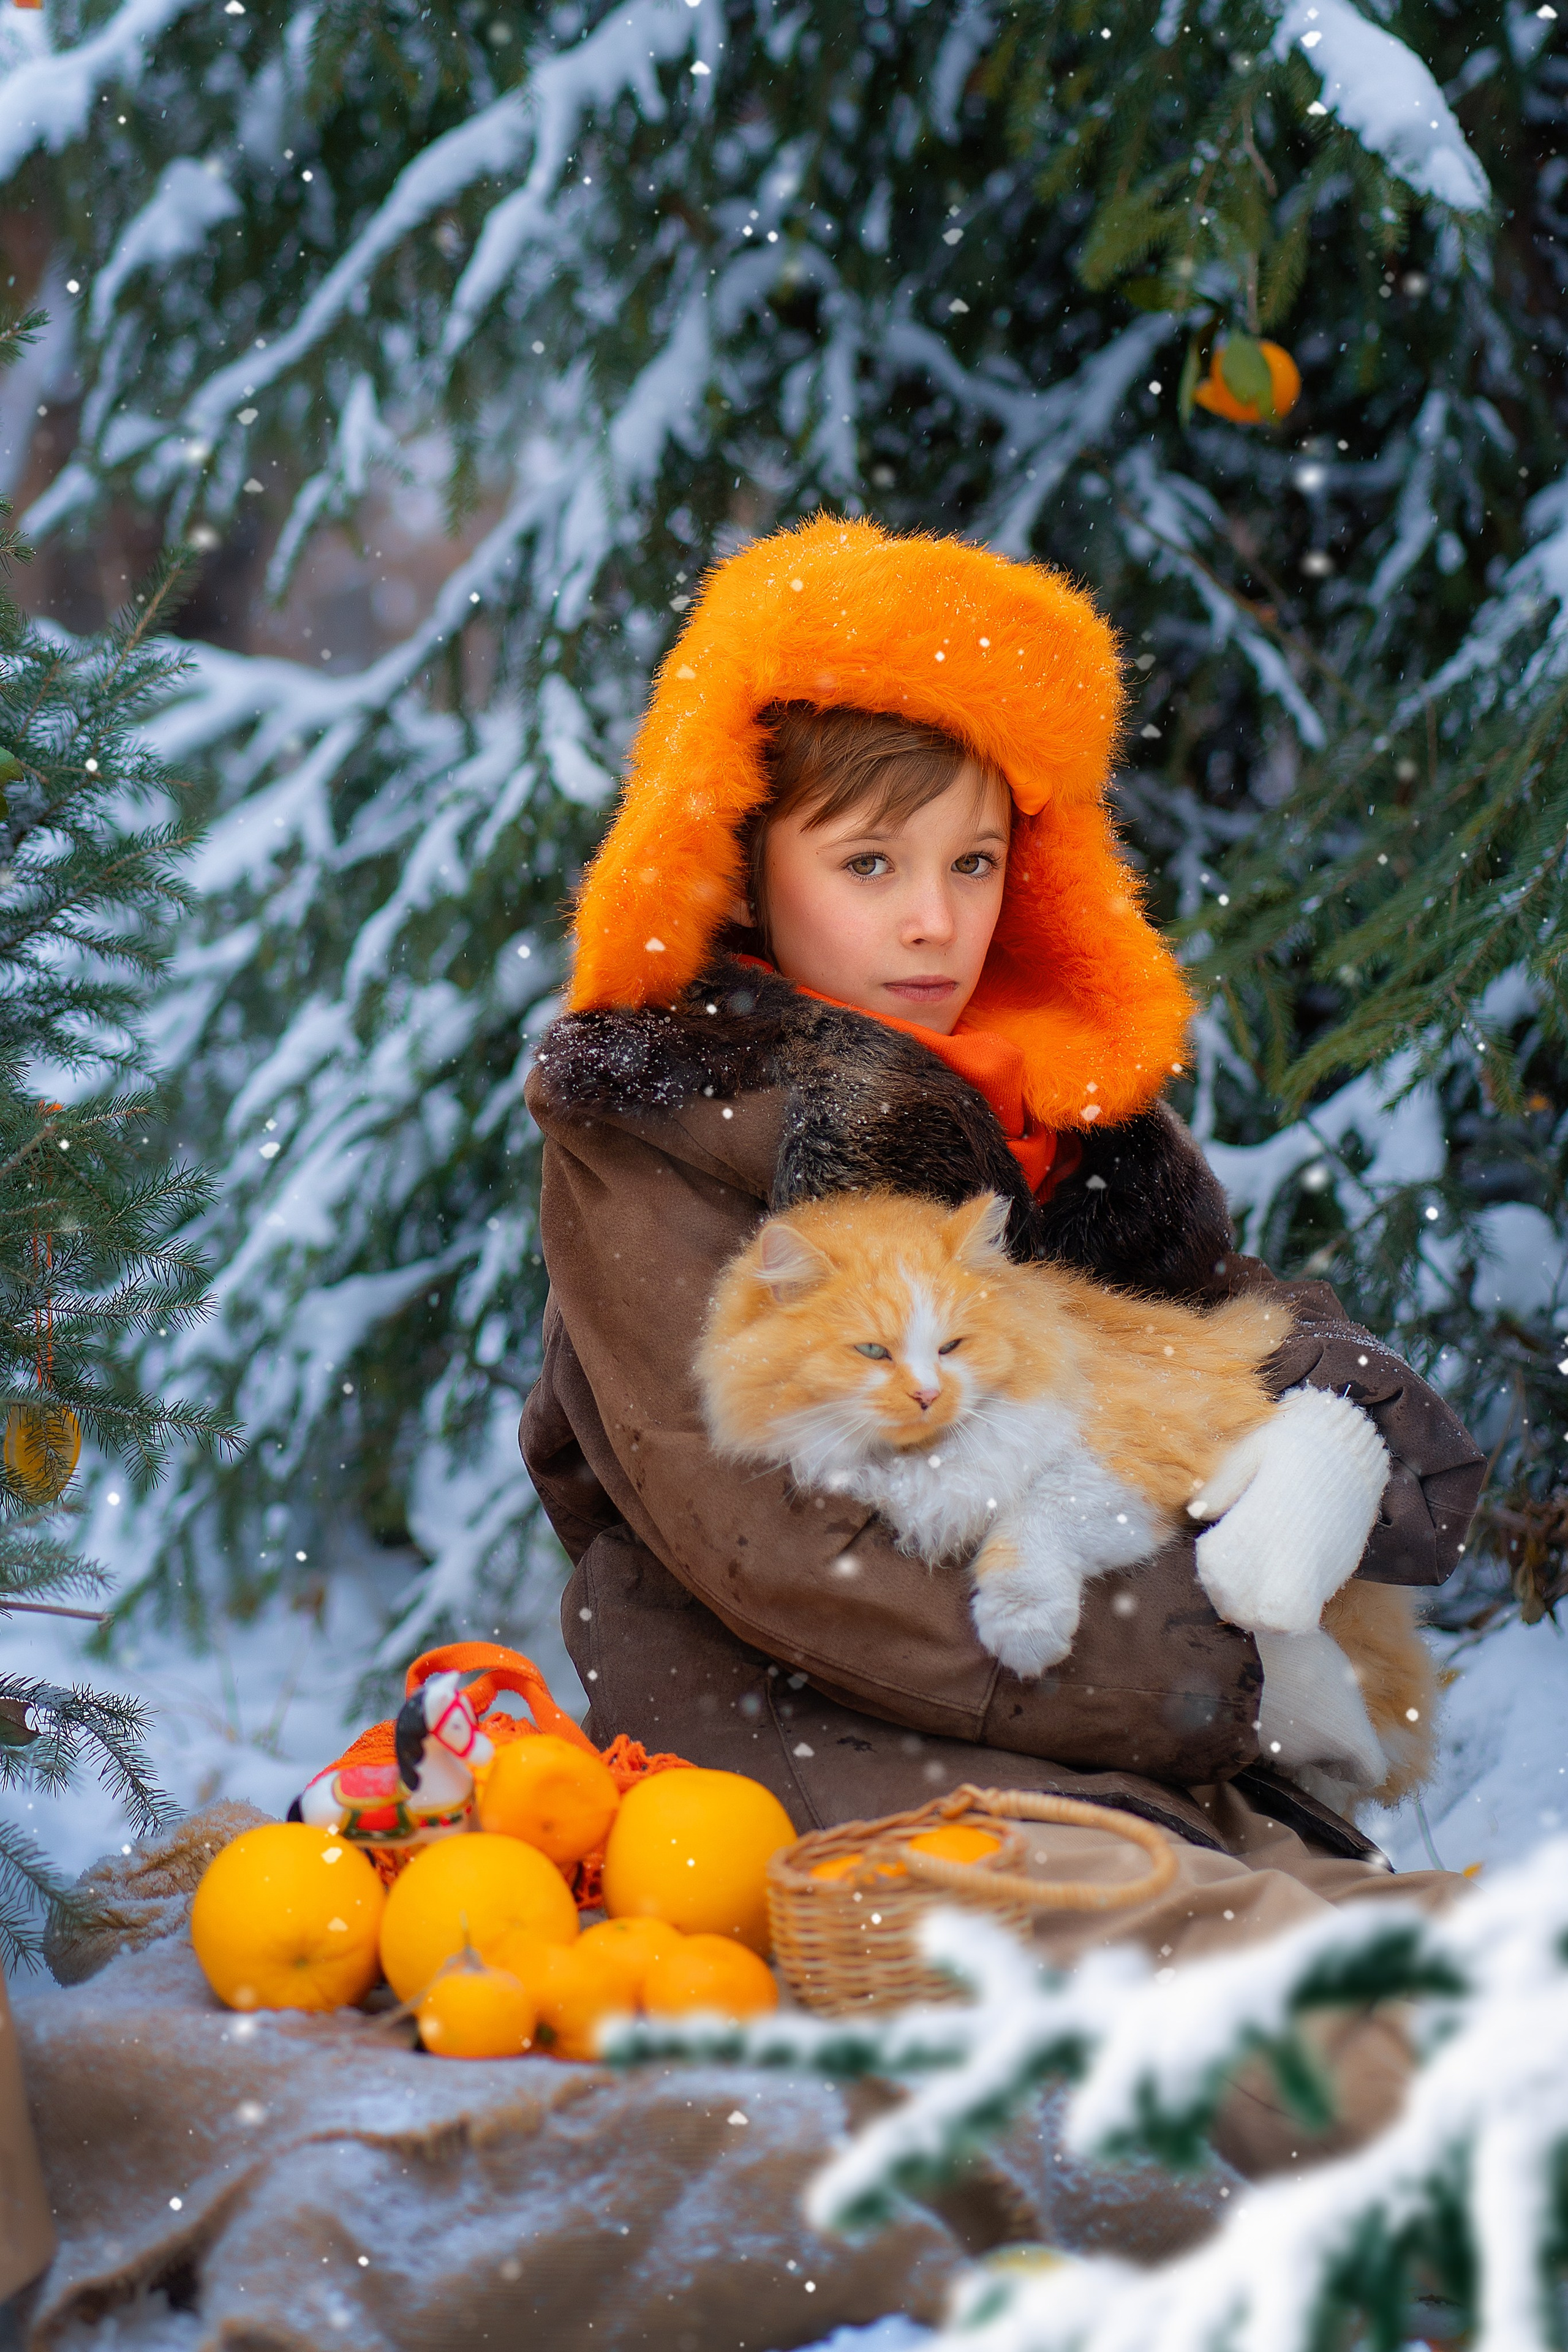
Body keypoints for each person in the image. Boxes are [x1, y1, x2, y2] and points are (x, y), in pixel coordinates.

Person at [521, 518, 1484, 2174]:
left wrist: (1332, 1424)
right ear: (746, 860)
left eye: (972, 865)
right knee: (1265, 2010)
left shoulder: (1046, 1111)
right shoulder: (663, 1129)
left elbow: (1225, 1316)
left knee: (1433, 1960)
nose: (932, 926)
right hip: (820, 1729)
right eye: (870, 865)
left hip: (1092, 1724)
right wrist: (1223, 1667)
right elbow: (773, 1549)